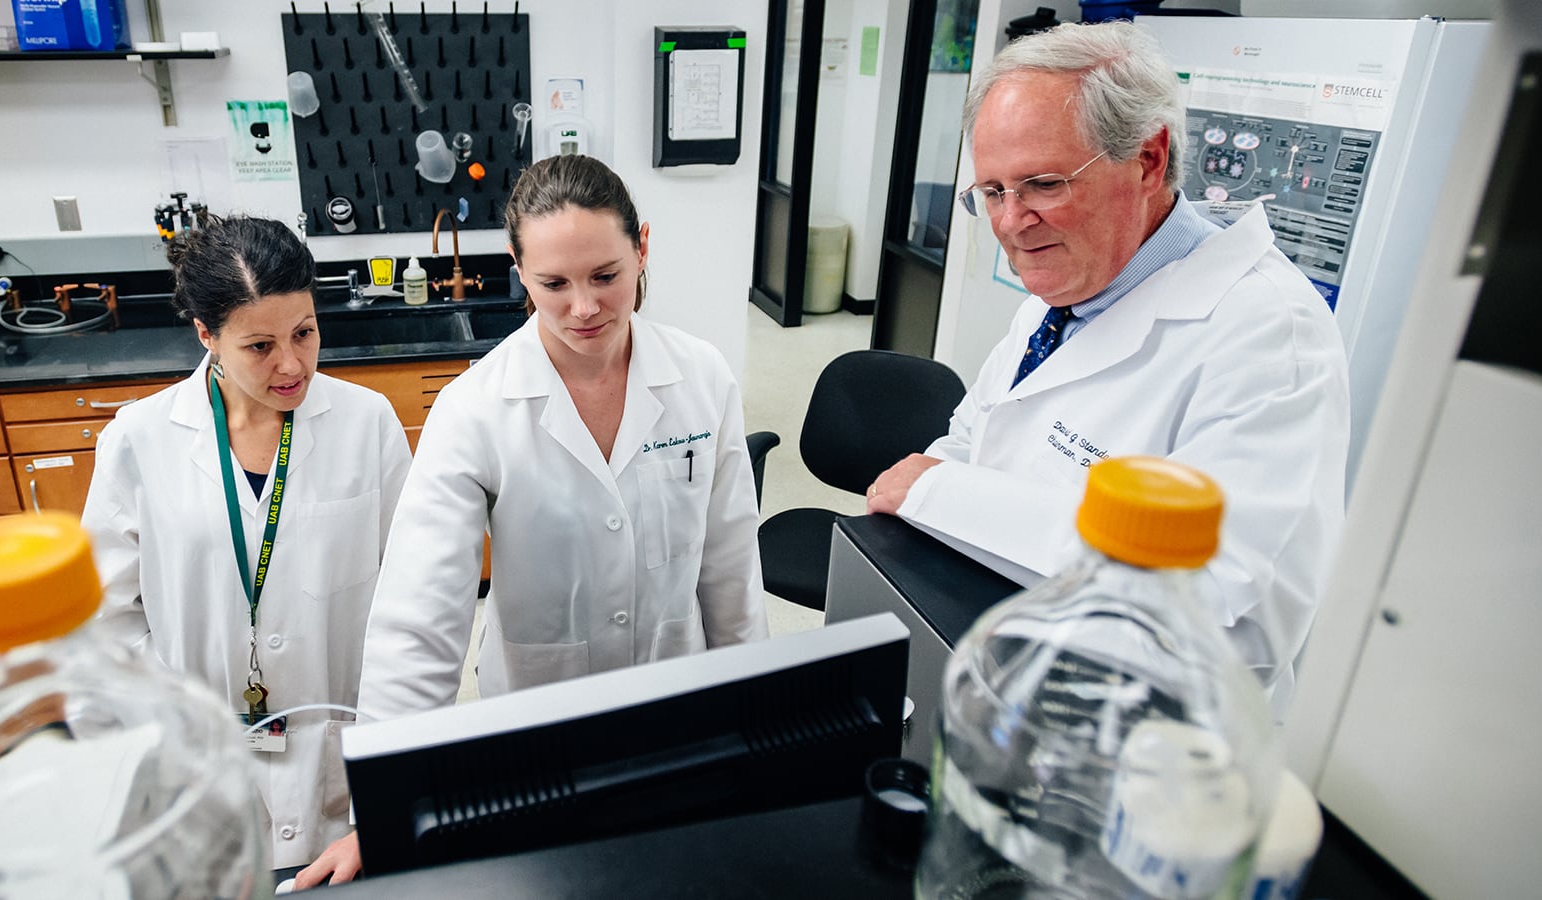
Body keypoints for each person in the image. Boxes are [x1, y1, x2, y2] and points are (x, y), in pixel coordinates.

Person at [300, 155, 769, 884]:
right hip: (534, 734)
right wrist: (383, 811)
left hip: (679, 714)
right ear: (520, 271)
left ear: (642, 247)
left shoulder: (702, 378)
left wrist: (758, 728)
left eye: (606, 275)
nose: (584, 307)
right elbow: (419, 621)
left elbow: (732, 572)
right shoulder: (475, 409)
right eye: (554, 284)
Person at [865, 21, 1349, 716]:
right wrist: (930, 496)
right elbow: (974, 438)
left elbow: (1230, 616)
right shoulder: (1065, 287)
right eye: (992, 192)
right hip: (991, 670)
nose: (1011, 223)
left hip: (1139, 737)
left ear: (1149, 161)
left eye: (1042, 184)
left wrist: (943, 496)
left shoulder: (1271, 335)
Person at [80, 215, 411, 876]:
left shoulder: (366, 424)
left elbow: (407, 614)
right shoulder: (139, 440)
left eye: (305, 333)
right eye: (259, 346)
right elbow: (104, 632)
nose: (292, 364)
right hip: (195, 774)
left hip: (341, 775)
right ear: (206, 336)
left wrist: (386, 796)